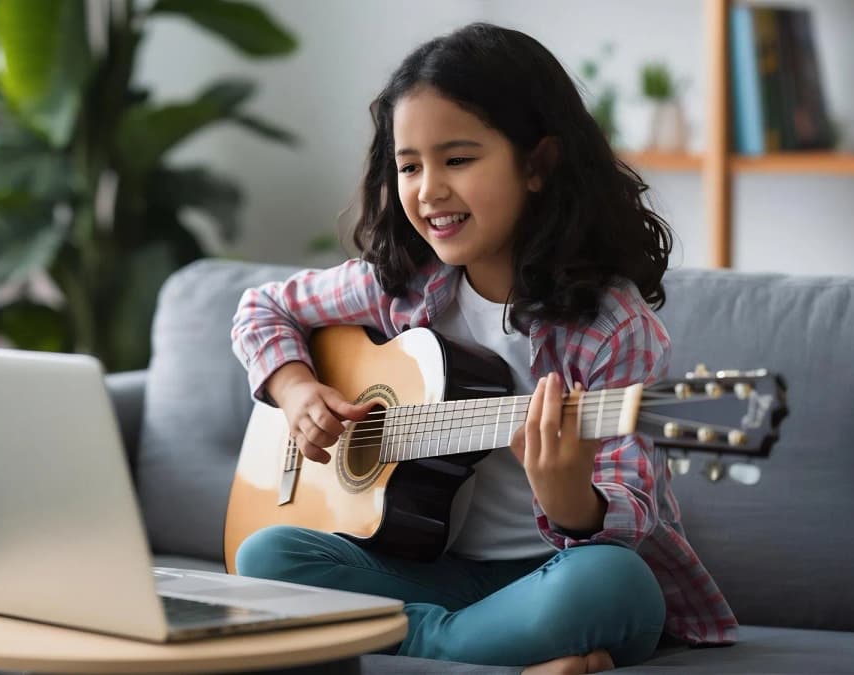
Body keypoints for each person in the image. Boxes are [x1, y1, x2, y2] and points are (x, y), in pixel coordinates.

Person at [229, 22, 736, 674]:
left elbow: (631, 504)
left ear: (537, 164)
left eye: (458, 160)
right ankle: (487, 650)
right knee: (265, 557)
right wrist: (297, 388)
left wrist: (571, 499)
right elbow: (261, 308)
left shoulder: (612, 325)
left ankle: (431, 645)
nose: (428, 189)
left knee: (617, 584)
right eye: (409, 165)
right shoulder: (401, 288)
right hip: (427, 570)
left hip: (554, 576)